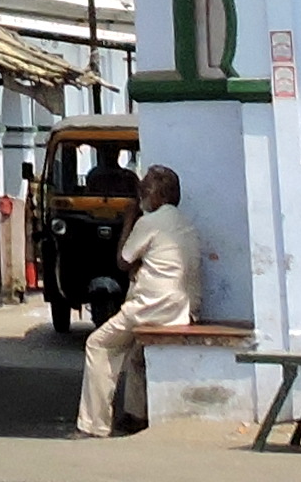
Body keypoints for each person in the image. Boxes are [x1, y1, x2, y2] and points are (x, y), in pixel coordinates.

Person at [72, 165, 208, 440]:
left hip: (152, 306)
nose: (142, 195)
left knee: (98, 345)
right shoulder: (185, 222)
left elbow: (123, 261)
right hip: (182, 309)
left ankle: (94, 424)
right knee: (136, 352)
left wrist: (128, 221)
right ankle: (136, 414)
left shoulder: (150, 222)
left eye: (145, 190)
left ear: (159, 196)